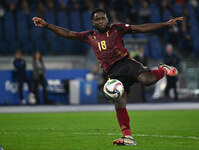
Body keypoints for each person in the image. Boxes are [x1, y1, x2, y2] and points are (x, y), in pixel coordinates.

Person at [32, 8, 183, 146]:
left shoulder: (117, 28)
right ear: (93, 22)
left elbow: (140, 28)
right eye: (98, 19)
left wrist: (164, 24)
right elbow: (68, 34)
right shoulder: (89, 36)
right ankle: (128, 137)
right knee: (119, 101)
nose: (101, 21)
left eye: (103, 18)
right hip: (113, 73)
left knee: (147, 81)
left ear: (107, 19)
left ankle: (163, 70)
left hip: (126, 63)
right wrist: (46, 25)